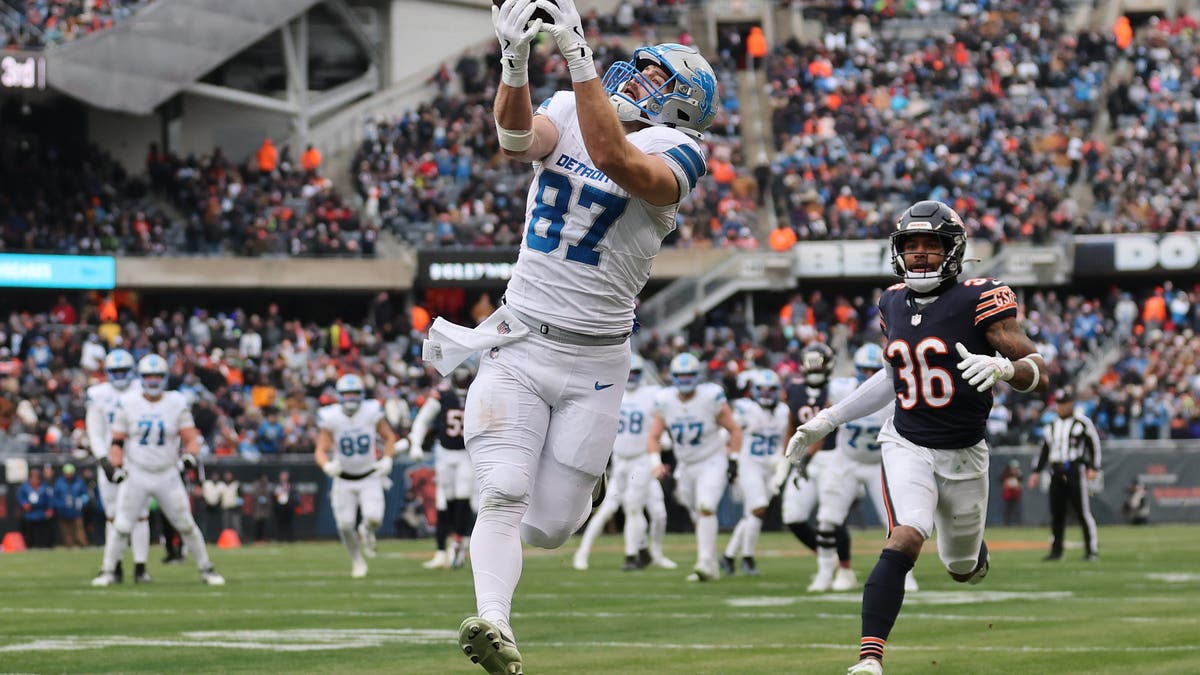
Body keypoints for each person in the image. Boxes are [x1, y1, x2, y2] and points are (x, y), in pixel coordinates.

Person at [447, 0, 719, 671]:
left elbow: (615, 157)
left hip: (594, 360)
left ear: (682, 107)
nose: (639, 75)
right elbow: (515, 140)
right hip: (519, 339)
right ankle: (494, 621)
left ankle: (581, 484)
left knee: (550, 525)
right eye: (643, 66)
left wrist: (577, 57)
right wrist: (514, 63)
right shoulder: (570, 105)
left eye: (659, 78)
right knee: (504, 491)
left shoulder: (678, 150)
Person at [785, 200, 1048, 674]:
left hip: (966, 454)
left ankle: (971, 551)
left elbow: (1039, 373)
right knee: (905, 536)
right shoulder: (891, 301)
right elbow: (891, 376)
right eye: (912, 244)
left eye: (932, 244)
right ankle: (869, 658)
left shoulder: (980, 297)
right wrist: (829, 418)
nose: (922, 254)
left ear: (954, 250)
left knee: (962, 569)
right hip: (907, 442)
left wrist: (1007, 368)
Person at [793, 344, 918, 593]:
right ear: (855, 370)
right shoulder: (840, 389)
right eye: (864, 370)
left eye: (874, 370)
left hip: (880, 462)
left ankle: (905, 574)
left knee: (897, 524)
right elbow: (825, 423)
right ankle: (825, 572)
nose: (870, 375)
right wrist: (808, 455)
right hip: (845, 460)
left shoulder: (896, 392)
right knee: (827, 519)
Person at [93, 355, 225, 586]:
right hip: (137, 472)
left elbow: (191, 438)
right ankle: (107, 570)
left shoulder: (176, 402)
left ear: (164, 378)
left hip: (167, 473)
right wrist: (116, 467)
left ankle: (207, 568)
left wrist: (190, 457)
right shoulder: (128, 402)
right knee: (122, 524)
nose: (153, 381)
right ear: (141, 378)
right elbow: (117, 441)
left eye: (157, 376)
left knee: (185, 524)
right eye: (148, 376)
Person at [574, 354, 676, 572]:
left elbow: (663, 421)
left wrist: (663, 441)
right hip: (621, 461)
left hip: (643, 460)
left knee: (657, 512)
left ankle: (651, 553)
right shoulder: (611, 392)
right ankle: (627, 554)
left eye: (636, 373)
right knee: (615, 508)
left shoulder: (652, 394)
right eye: (630, 372)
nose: (632, 377)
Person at [647, 353, 743, 581]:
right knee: (697, 512)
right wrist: (656, 464)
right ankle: (711, 567)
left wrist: (734, 459)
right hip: (686, 465)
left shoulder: (710, 396)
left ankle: (705, 563)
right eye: (680, 375)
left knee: (706, 506)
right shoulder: (666, 399)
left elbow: (735, 429)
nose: (685, 379)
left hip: (712, 459)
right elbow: (653, 436)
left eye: (689, 374)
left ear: (697, 375)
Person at [779, 342, 853, 583]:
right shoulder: (794, 389)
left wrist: (804, 457)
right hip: (805, 459)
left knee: (830, 517)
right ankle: (826, 557)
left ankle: (843, 567)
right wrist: (786, 459)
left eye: (818, 363)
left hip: (834, 455)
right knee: (793, 516)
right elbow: (791, 423)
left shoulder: (836, 388)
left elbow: (825, 430)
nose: (814, 368)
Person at [314, 373, 397, 578]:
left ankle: (367, 530)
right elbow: (320, 449)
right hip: (343, 479)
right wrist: (326, 466)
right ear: (339, 396)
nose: (350, 398)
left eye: (354, 394)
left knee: (374, 518)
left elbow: (389, 437)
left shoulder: (371, 411)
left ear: (361, 394)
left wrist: (387, 459)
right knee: (344, 525)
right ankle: (357, 562)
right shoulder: (331, 416)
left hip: (369, 476)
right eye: (346, 394)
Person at [86, 349, 152, 583]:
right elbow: (94, 430)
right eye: (115, 371)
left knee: (140, 514)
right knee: (113, 516)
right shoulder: (98, 394)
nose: (120, 375)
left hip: (137, 461)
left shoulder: (142, 390)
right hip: (111, 462)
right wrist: (103, 459)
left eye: (124, 370)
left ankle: (140, 566)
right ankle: (114, 566)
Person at [407, 365, 477, 570]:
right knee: (443, 500)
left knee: (463, 497)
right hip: (445, 452)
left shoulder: (478, 392)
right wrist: (416, 443)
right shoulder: (443, 395)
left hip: (467, 453)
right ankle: (442, 551)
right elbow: (422, 420)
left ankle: (458, 545)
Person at [720, 368, 789, 576]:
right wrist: (731, 459)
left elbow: (784, 440)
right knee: (758, 508)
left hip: (771, 467)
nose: (766, 394)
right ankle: (747, 558)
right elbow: (730, 433)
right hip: (749, 464)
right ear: (754, 391)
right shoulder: (744, 408)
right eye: (762, 390)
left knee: (752, 514)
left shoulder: (783, 411)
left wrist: (782, 465)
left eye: (771, 390)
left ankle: (729, 556)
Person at [1029, 386, 1101, 561]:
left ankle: (1091, 550)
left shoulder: (1082, 422)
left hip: (1074, 469)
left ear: (1071, 404)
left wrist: (1094, 467)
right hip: (1056, 471)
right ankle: (1056, 551)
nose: (1061, 407)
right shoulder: (1051, 425)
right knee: (1057, 513)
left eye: (1064, 403)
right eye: (1059, 404)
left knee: (1082, 512)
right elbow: (1045, 450)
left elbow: (1094, 445)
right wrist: (1037, 471)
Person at [53, 463, 90, 548]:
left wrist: (81, 501)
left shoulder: (79, 482)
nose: (69, 475)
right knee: (66, 530)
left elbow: (85, 495)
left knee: (79, 528)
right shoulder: (59, 482)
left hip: (76, 511)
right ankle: (69, 545)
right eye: (67, 473)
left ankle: (82, 545)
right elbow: (55, 497)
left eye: (70, 473)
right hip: (63, 511)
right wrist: (61, 505)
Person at [18, 467, 54, 548]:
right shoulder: (25, 487)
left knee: (41, 531)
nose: (35, 478)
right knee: (29, 531)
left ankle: (42, 545)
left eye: (36, 476)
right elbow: (20, 497)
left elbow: (49, 499)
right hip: (29, 513)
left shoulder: (44, 487)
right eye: (33, 476)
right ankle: (30, 546)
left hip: (41, 513)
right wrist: (24, 504)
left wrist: (50, 509)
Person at [274, 470, 298, 542]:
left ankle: (290, 538)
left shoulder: (291, 485)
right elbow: (274, 495)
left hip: (289, 506)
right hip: (280, 506)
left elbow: (294, 494)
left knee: (289, 523)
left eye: (285, 476)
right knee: (280, 523)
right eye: (283, 476)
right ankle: (280, 538)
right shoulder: (277, 485)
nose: (284, 477)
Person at [999, 459, 1023, 526]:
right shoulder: (1006, 474)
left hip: (1015, 495)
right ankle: (1006, 523)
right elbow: (1002, 481)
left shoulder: (1019, 474)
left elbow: (1020, 483)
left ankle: (1018, 523)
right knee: (1007, 510)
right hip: (1008, 495)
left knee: (1016, 509)